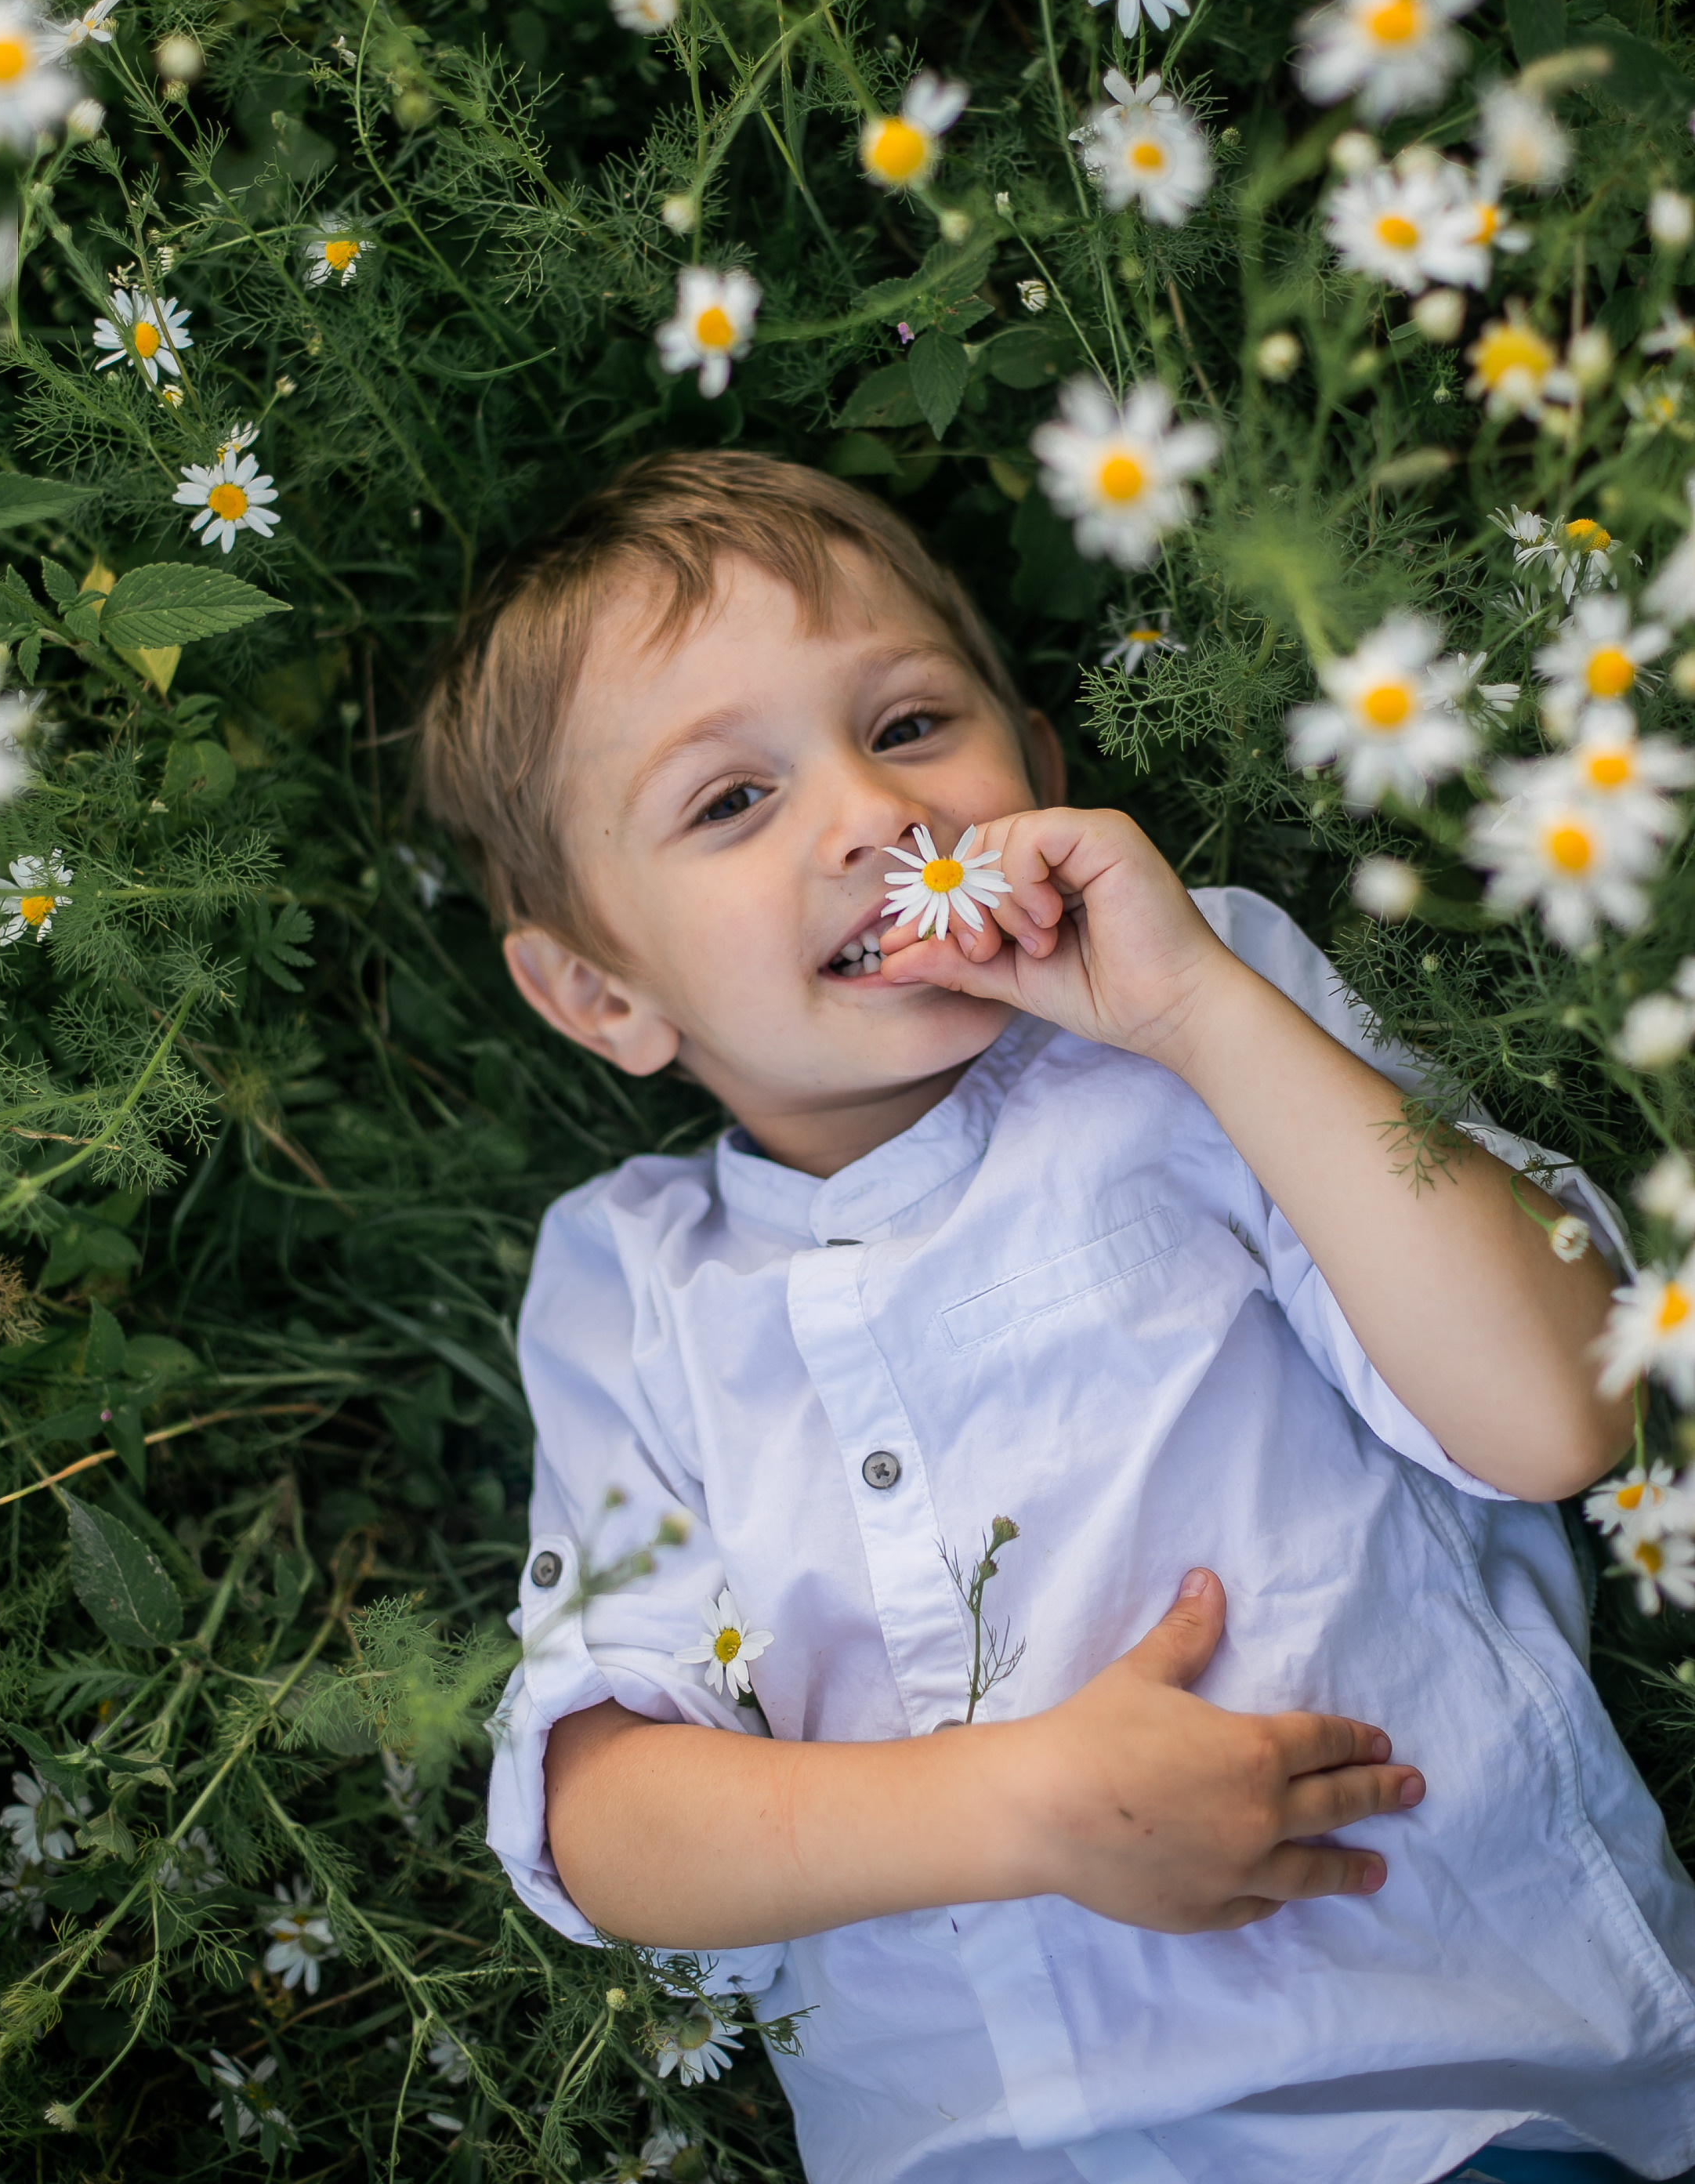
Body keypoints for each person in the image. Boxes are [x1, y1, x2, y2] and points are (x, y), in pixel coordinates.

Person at [418, 450, 1695, 2184]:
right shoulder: (629, 1286)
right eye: (732, 801)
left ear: (1038, 767)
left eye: (910, 725)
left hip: (1431, 2098)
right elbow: (614, 1824)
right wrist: (1016, 1807)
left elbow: (1557, 1413)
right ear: (598, 989)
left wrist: (1191, 1011)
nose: (874, 817)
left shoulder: (1204, 1031)